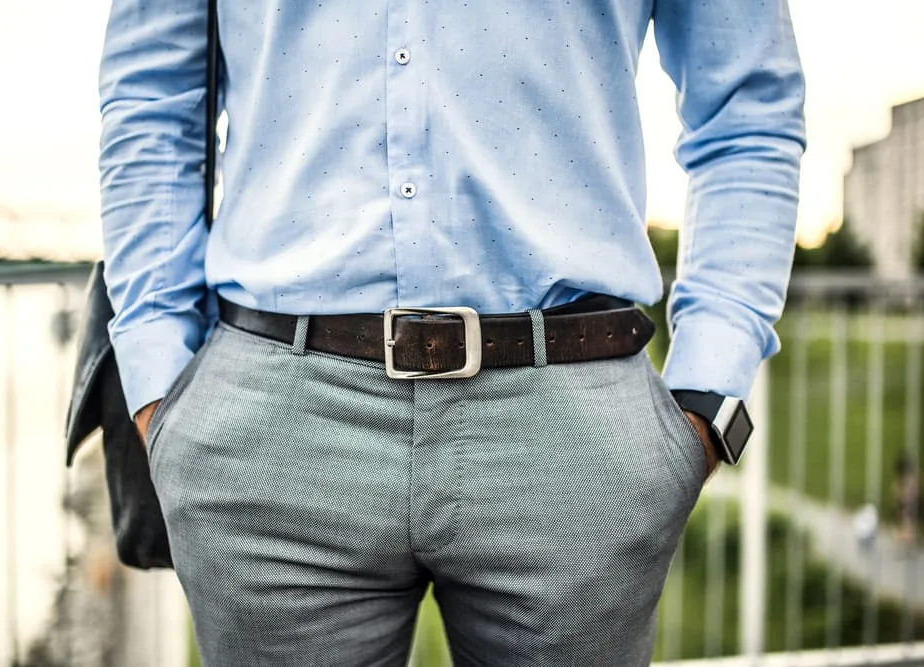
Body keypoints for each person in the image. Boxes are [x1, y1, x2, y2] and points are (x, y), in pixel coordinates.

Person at [98, 2, 805, 665]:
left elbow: (747, 108)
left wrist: (707, 394)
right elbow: (151, 101)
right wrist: (159, 383)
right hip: (267, 422)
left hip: (575, 435)